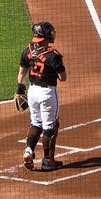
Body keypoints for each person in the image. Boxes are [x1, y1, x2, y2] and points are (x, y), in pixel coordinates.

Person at [15, 21, 67, 172]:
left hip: (32, 92)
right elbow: (63, 78)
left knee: (36, 123)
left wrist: (20, 90)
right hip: (47, 94)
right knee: (50, 126)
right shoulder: (53, 56)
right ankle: (47, 161)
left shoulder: (27, 51)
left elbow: (21, 73)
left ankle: (29, 151)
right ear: (44, 36)